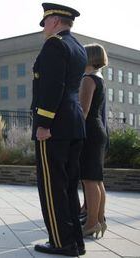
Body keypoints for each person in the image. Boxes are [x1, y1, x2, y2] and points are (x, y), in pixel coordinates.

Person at [31, 3, 87, 256]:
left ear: (53, 21)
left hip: (54, 127)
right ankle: (76, 240)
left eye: (45, 23)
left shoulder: (55, 44)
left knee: (53, 187)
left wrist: (43, 123)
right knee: (68, 186)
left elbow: (52, 87)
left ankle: (61, 242)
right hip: (74, 125)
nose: (44, 29)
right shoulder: (78, 48)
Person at [79, 43, 109, 238]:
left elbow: (83, 111)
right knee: (96, 180)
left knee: (89, 180)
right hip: (98, 131)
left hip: (90, 132)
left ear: (88, 57)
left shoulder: (88, 79)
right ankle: (98, 220)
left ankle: (91, 224)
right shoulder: (99, 78)